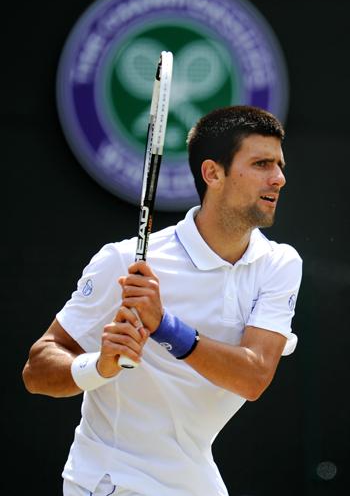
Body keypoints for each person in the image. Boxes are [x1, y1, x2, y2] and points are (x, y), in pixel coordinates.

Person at [22, 105, 303, 496]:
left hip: (193, 480)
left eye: (279, 165)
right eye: (261, 164)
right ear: (213, 173)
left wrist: (163, 325)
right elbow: (37, 369)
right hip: (111, 480)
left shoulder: (279, 265)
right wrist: (99, 367)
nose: (279, 178)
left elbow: (253, 377)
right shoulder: (123, 261)